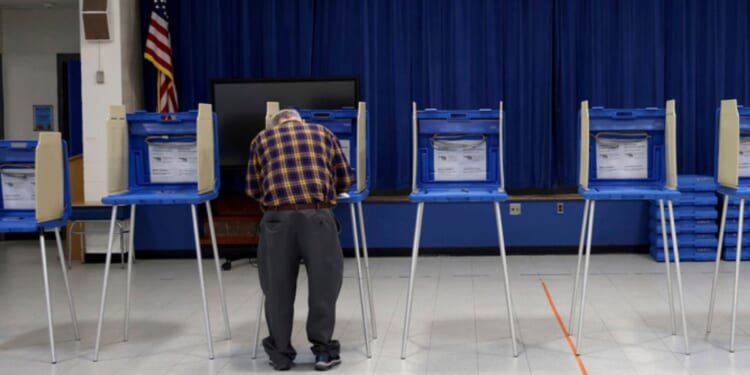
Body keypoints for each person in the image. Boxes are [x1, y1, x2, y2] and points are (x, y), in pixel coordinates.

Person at [246, 108, 354, 371]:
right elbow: (345, 179)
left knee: (277, 289)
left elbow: (252, 188)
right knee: (323, 286)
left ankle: (281, 355)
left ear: (276, 123)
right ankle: (323, 352)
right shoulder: (323, 133)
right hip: (316, 216)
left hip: (276, 221)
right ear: (300, 120)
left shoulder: (261, 139)